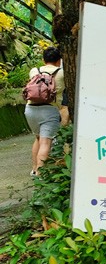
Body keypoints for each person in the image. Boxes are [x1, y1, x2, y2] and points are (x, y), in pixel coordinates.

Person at [24, 47, 64, 176]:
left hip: (30, 109)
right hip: (49, 109)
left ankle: (34, 169)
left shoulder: (34, 71)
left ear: (43, 59)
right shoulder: (62, 73)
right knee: (45, 142)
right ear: (59, 60)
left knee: (38, 138)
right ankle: (42, 174)